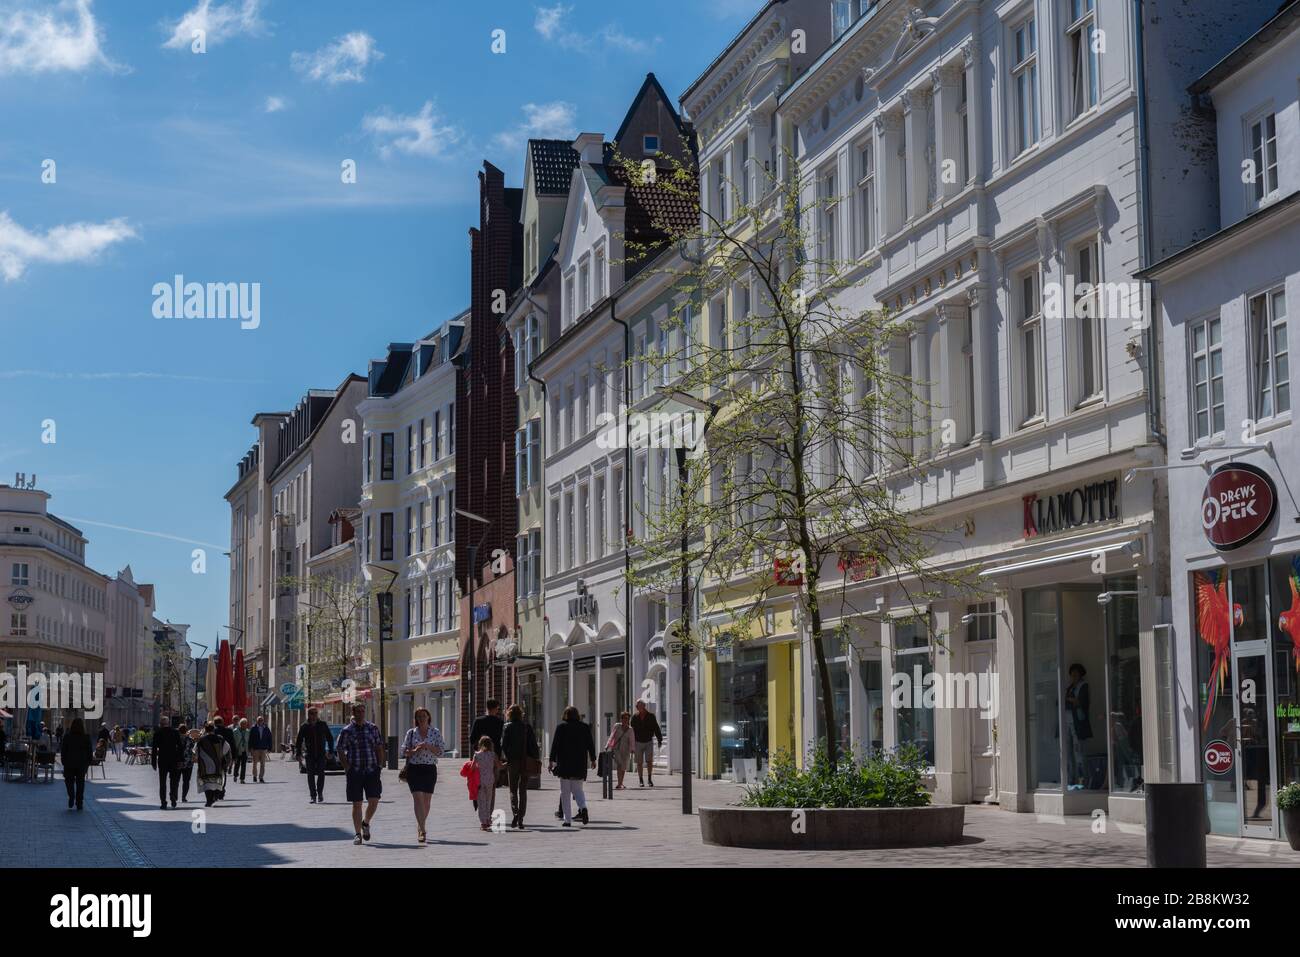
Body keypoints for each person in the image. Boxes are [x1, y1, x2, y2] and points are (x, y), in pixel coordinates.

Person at [336, 703, 385, 845]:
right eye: (358, 711)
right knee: (356, 803)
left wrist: (380, 765)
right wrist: (347, 767)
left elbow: (379, 747)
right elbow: (340, 749)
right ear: (354, 712)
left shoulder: (372, 728)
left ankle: (366, 822)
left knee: (374, 801)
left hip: (371, 770)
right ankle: (357, 834)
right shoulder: (347, 731)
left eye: (363, 711)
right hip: (355, 771)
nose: (361, 713)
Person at [401, 707, 444, 844]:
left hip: (430, 769)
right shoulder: (411, 733)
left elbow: (441, 751)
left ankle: (420, 824)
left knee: (426, 802)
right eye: (419, 717)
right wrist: (415, 750)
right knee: (418, 799)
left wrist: (428, 746)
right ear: (416, 719)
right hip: (414, 769)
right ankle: (423, 830)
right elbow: (404, 751)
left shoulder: (435, 732)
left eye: (424, 716)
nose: (421, 718)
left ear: (428, 717)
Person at [549, 706, 596, 827]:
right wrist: (593, 759)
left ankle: (567, 820)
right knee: (578, 790)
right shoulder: (584, 727)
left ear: (566, 715)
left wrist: (551, 761)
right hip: (580, 764)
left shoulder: (561, 728)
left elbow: (555, 745)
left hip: (564, 763)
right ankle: (583, 807)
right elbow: (590, 744)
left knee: (565, 793)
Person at [500, 704, 539, 829]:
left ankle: (515, 812)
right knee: (523, 790)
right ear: (521, 714)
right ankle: (521, 818)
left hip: (513, 762)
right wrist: (534, 757)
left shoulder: (507, 726)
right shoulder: (527, 727)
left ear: (509, 714)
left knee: (513, 789)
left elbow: (504, 745)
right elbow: (533, 744)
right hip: (525, 761)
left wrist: (508, 757)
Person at [295, 708, 335, 804]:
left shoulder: (322, 725)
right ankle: (313, 796)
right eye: (312, 713)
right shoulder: (304, 726)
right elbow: (299, 741)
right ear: (308, 715)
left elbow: (330, 738)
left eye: (315, 713)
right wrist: (298, 754)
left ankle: (320, 793)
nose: (314, 715)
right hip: (310, 754)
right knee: (310, 775)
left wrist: (330, 751)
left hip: (321, 753)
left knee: (321, 773)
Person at [1065, 663, 1093, 790]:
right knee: (1069, 754)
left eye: (1075, 674)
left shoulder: (1083, 686)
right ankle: (1071, 780)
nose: (1073, 677)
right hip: (1068, 724)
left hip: (1078, 724)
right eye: (1072, 674)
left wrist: (1073, 701)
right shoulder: (1070, 687)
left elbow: (1082, 702)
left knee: (1079, 754)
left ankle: (1082, 781)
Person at [469, 698, 505, 790]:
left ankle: (479, 800)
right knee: (492, 782)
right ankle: (490, 802)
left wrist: (477, 748)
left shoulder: (478, 721)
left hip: (480, 755)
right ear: (495, 708)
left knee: (479, 778)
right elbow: (502, 739)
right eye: (497, 708)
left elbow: (472, 739)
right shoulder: (500, 722)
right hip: (495, 754)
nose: (498, 710)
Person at [194, 721, 231, 807]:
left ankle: (209, 800)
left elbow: (195, 751)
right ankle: (215, 796)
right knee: (216, 782)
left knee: (207, 783)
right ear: (213, 729)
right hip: (217, 764)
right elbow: (227, 748)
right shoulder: (220, 739)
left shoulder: (201, 740)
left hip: (204, 765)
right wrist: (220, 755)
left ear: (205, 729)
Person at [60, 718, 93, 811]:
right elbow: (90, 751)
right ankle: (79, 802)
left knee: (69, 781)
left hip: (69, 763)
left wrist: (63, 761)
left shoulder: (67, 736)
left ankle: (71, 796)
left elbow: (63, 750)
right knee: (80, 783)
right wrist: (88, 762)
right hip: (82, 763)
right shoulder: (86, 737)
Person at [151, 716, 184, 809]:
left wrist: (153, 762)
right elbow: (180, 747)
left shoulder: (157, 733)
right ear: (168, 723)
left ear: (161, 724)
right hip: (174, 760)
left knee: (162, 782)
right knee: (173, 781)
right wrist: (181, 760)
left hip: (162, 760)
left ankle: (163, 802)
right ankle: (173, 797)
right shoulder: (175, 732)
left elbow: (154, 749)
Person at [630, 699, 663, 788]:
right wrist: (631, 744)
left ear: (644, 706)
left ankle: (649, 779)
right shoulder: (634, 717)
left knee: (649, 761)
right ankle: (641, 780)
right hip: (638, 742)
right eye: (637, 706)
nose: (638, 708)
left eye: (639, 706)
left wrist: (660, 739)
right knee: (639, 762)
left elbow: (656, 728)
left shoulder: (651, 716)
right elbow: (631, 731)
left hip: (648, 741)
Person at [472, 736, 500, 831]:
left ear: (480, 744)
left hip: (480, 781)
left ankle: (483, 822)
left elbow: (472, 768)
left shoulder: (477, 755)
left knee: (481, 802)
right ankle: (488, 820)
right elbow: (499, 766)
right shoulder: (493, 755)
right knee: (488, 800)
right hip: (490, 781)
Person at [606, 711, 634, 790]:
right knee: (619, 765)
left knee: (623, 767)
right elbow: (612, 735)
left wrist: (632, 749)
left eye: (627, 718)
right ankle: (619, 783)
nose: (625, 720)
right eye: (623, 718)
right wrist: (607, 745)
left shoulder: (630, 729)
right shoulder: (617, 726)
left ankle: (621, 782)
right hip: (617, 749)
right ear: (621, 719)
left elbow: (632, 740)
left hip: (626, 750)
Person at [248, 715, 272, 783]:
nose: (260, 721)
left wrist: (270, 747)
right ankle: (254, 776)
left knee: (263, 764)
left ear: (263, 721)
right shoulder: (253, 728)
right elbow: (250, 739)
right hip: (256, 748)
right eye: (259, 720)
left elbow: (269, 738)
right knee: (254, 763)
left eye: (261, 720)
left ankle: (261, 777)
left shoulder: (266, 729)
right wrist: (250, 748)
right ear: (257, 721)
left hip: (263, 748)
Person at [178, 723, 198, 802]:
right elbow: (194, 751)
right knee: (186, 781)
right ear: (186, 730)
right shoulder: (190, 740)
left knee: (176, 780)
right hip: (188, 763)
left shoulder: (176, 739)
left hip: (178, 762)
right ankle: (184, 797)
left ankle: (174, 795)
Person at [231, 717, 251, 783]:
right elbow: (233, 741)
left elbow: (249, 740)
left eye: (245, 724)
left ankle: (242, 779)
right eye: (243, 723)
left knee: (244, 765)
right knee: (237, 764)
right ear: (240, 724)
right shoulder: (235, 731)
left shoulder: (248, 731)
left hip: (244, 750)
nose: (244, 725)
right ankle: (235, 775)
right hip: (237, 750)